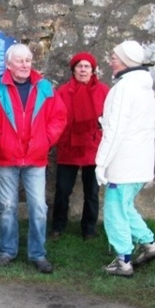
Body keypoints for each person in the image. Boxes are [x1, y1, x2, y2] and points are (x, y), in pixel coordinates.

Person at [0, 43, 66, 274]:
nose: (24, 65)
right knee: (7, 207)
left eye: (28, 60)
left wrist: (46, 140)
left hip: (35, 157)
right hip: (5, 156)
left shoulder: (45, 87)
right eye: (19, 61)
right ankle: (7, 250)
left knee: (39, 207)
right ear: (8, 64)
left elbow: (59, 117)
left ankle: (37, 253)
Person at [95, 40, 155, 278]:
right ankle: (149, 244)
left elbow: (116, 131)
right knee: (125, 206)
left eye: (114, 57)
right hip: (140, 162)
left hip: (123, 163)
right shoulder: (144, 89)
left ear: (125, 61)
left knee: (115, 211)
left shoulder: (124, 89)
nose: (110, 61)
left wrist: (101, 163)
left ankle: (123, 261)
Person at [50, 52, 110, 240]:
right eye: (79, 66)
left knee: (91, 193)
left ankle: (89, 229)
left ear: (93, 70)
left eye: (87, 67)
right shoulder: (63, 91)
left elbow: (109, 118)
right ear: (73, 69)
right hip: (69, 147)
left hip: (93, 148)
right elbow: (55, 117)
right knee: (62, 191)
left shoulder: (103, 91)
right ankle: (58, 227)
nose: (83, 70)